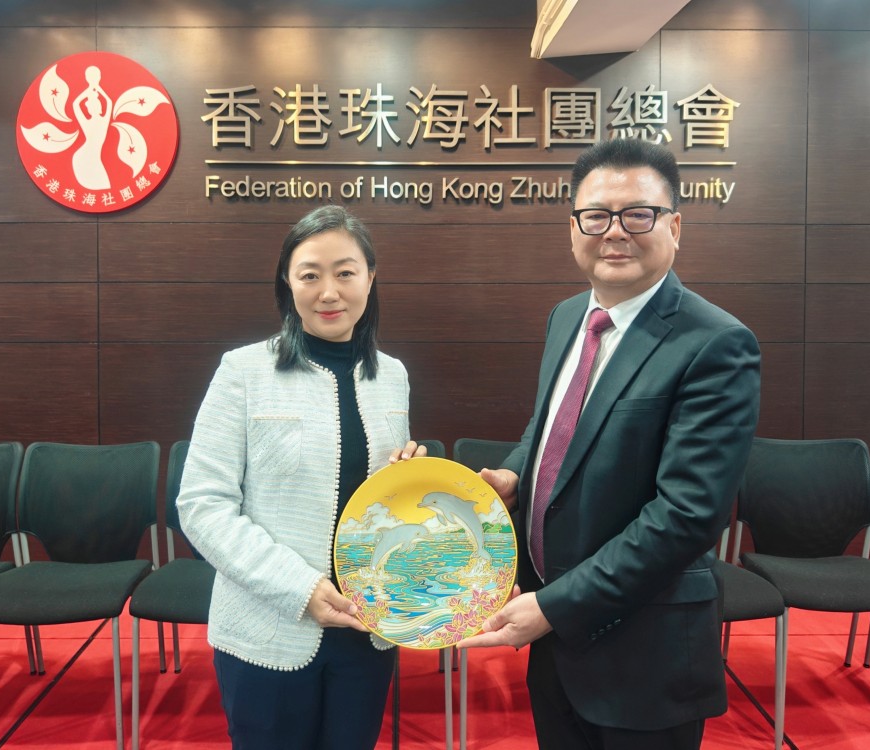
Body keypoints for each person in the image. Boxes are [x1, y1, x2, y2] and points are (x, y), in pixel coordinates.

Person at [459, 138, 761, 750]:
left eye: (638, 214)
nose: (615, 232)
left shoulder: (716, 344)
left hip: (643, 653)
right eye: (596, 215)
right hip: (555, 639)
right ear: (573, 228)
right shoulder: (567, 317)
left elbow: (686, 516)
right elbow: (549, 427)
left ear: (675, 226)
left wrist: (554, 607)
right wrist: (516, 474)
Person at [176, 204, 426, 750]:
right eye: (310, 275)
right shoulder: (244, 371)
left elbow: (377, 501)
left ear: (370, 277)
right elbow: (202, 505)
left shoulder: (393, 376)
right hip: (269, 626)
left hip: (367, 626)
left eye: (345, 272)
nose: (328, 292)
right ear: (287, 283)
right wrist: (301, 587)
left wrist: (407, 482)